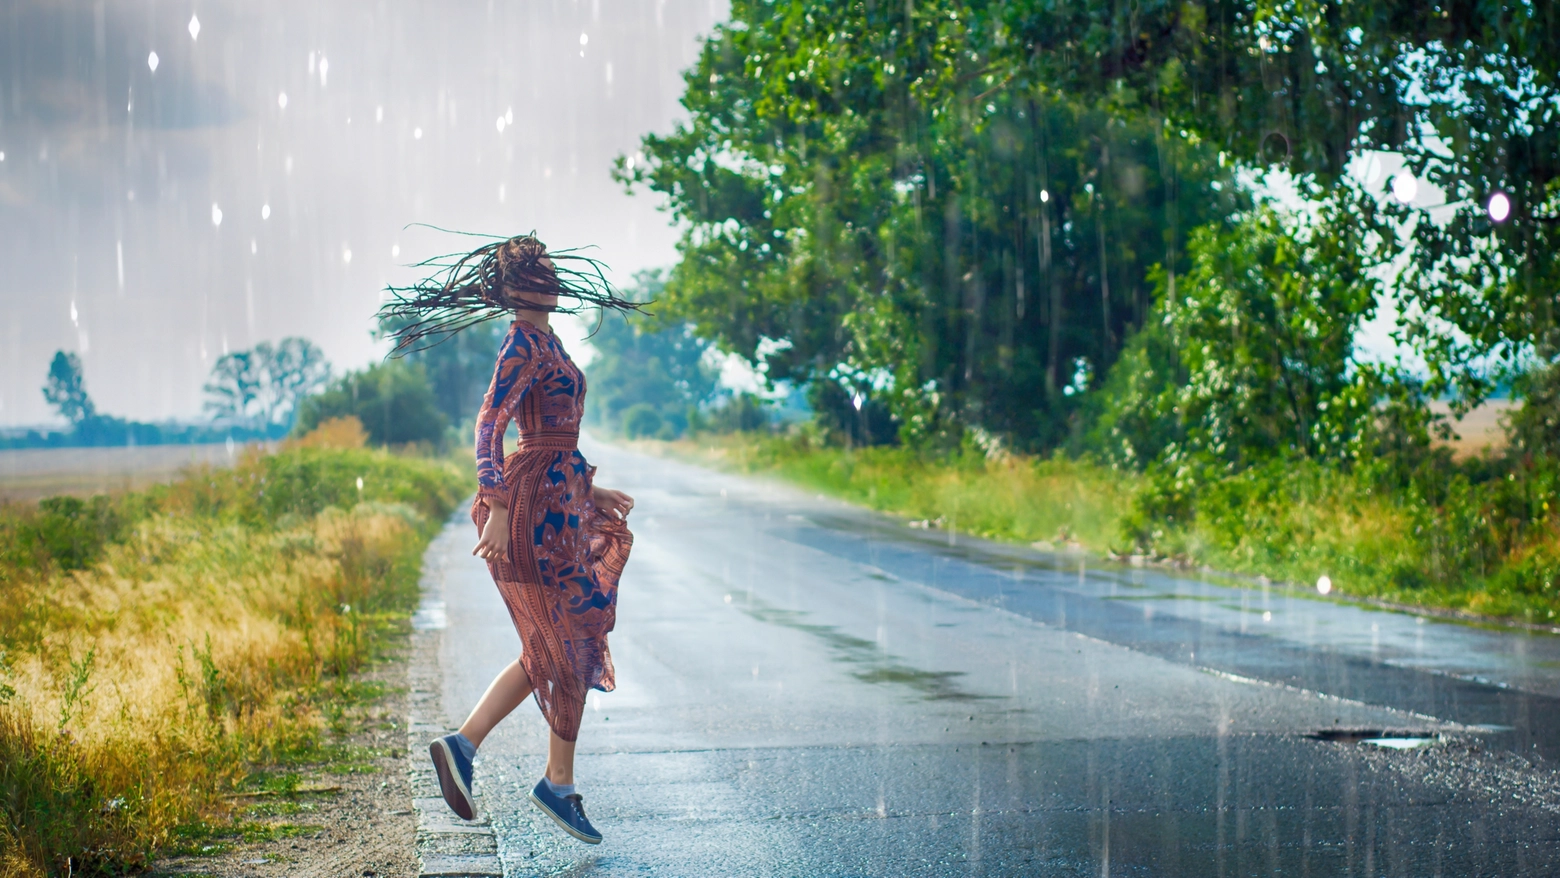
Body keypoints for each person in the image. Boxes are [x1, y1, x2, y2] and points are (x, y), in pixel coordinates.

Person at [379, 233, 639, 844]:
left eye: (552, 271)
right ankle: (552, 783)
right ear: (518, 286)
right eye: (541, 273)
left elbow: (552, 436)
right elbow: (490, 424)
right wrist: (496, 504)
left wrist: (587, 488)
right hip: (530, 513)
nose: (553, 281)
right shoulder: (521, 342)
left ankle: (474, 751)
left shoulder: (548, 339)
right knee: (565, 640)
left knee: (560, 641)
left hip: (557, 502)